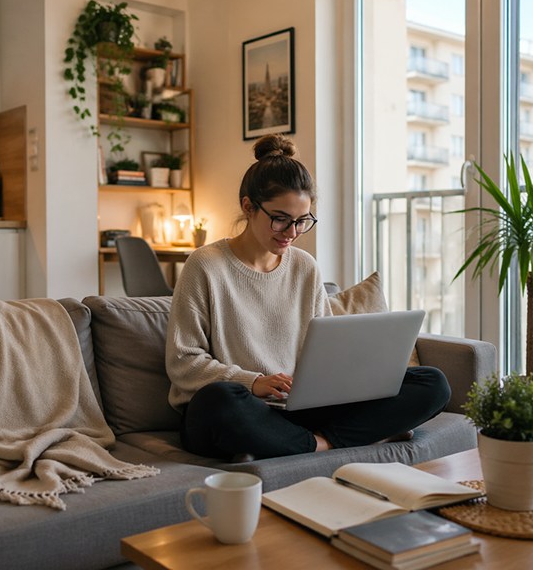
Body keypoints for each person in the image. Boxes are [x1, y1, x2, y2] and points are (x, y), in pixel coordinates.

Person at [165, 134, 451, 461]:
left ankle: (310, 442)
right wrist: (253, 382)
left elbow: (326, 352)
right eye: (280, 219)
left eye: (302, 221)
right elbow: (183, 363)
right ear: (248, 206)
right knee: (219, 401)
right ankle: (335, 442)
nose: (292, 232)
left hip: (298, 409)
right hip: (242, 408)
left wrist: (349, 378)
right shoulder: (205, 265)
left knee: (432, 383)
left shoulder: (304, 267)